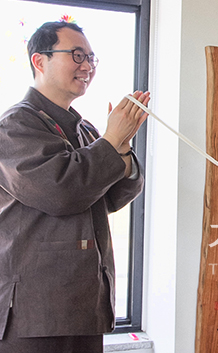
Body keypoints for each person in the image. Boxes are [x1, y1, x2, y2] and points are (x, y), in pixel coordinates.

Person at [0, 21, 150, 352]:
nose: (87, 66)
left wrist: (120, 146)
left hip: (82, 302)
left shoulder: (83, 128)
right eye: (77, 55)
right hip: (34, 309)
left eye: (92, 58)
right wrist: (111, 140)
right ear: (40, 61)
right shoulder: (15, 126)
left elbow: (113, 196)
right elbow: (62, 192)